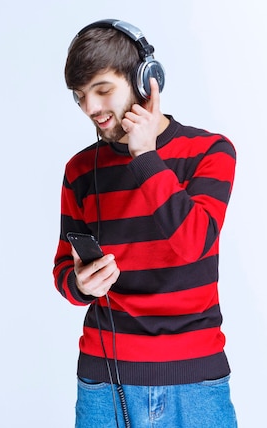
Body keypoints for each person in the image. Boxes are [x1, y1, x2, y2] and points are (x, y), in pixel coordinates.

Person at [52, 19, 238, 428]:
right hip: (105, 381)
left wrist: (146, 157)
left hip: (196, 383)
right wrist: (81, 284)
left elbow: (193, 244)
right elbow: (63, 270)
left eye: (102, 91)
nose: (91, 109)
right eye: (80, 97)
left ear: (146, 80)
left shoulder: (210, 152)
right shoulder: (80, 170)